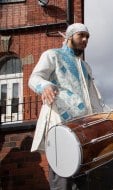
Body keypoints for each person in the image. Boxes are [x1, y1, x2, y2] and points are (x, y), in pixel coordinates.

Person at [29, 23, 106, 190]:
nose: (85, 40)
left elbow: (93, 97)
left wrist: (100, 119)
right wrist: (45, 86)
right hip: (59, 126)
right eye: (81, 35)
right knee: (61, 180)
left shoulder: (85, 67)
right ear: (69, 36)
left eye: (88, 37)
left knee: (82, 180)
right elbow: (35, 77)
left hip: (82, 128)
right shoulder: (52, 55)